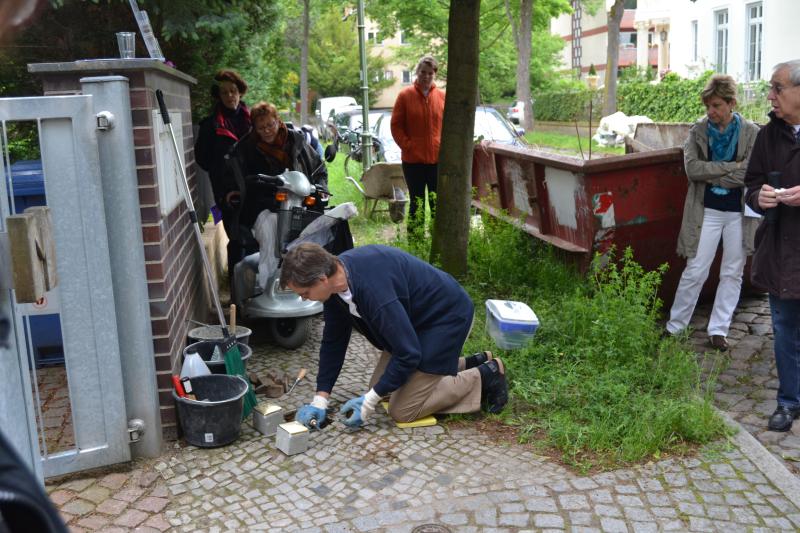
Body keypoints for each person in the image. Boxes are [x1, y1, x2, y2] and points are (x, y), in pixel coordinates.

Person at [281, 243, 508, 429]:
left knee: (404, 409)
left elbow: (407, 354)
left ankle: (485, 375)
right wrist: (320, 399)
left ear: (321, 279)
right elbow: (333, 342)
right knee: (382, 389)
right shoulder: (333, 287)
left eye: (304, 293)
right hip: (408, 323)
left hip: (446, 318)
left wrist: (369, 401)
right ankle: (468, 362)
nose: (303, 299)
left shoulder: (374, 292)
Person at [665, 74, 760, 351]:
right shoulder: (698, 131)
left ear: (731, 103)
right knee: (695, 269)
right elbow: (693, 170)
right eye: (708, 106)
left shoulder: (752, 132)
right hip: (705, 210)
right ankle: (675, 327)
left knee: (733, 271)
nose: (711, 112)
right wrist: (731, 167)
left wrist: (714, 174)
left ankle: (718, 330)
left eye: (716, 106)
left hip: (738, 214)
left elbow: (750, 173)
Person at [744, 60, 800, 432]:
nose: (770, 96)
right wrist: (757, 196)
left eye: (777, 88)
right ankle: (789, 402)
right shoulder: (768, 136)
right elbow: (749, 186)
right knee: (783, 327)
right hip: (781, 249)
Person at [224, 102, 328, 290]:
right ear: (254, 129)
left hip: (300, 204)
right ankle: (269, 288)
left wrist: (320, 188)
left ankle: (308, 287)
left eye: (270, 125)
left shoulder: (297, 141)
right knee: (272, 229)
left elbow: (319, 168)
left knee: (315, 233)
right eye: (261, 128)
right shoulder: (246, 149)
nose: (267, 131)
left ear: (278, 121)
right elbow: (242, 182)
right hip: (263, 207)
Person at [194, 70, 252, 276]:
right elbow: (203, 159)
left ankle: (257, 286)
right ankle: (237, 293)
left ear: (240, 93)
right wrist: (223, 173)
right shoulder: (210, 126)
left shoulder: (252, 120)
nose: (230, 96)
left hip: (254, 187)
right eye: (225, 92)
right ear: (218, 96)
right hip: (227, 193)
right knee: (236, 238)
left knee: (257, 235)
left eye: (233, 91)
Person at [390, 55, 445, 238]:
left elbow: (448, 126)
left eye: (430, 73)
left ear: (434, 74)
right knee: (417, 202)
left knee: (437, 202)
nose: (426, 76)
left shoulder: (442, 96)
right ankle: (415, 240)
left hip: (437, 160)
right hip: (413, 161)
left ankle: (438, 239)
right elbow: (396, 125)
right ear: (417, 72)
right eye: (423, 72)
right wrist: (408, 146)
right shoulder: (405, 96)